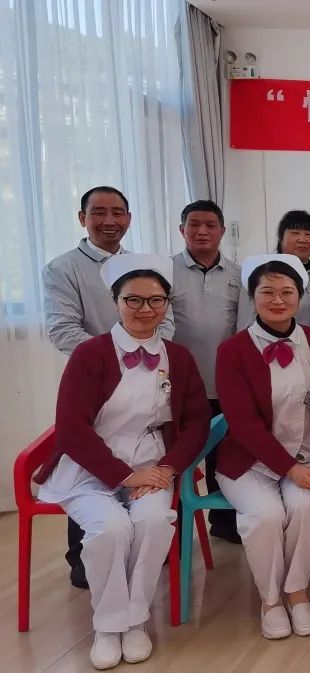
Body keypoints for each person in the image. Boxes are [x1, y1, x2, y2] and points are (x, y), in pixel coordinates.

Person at [34, 254, 210, 670]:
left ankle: (135, 620)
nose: (146, 309)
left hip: (153, 464)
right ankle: (108, 625)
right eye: (134, 300)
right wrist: (123, 475)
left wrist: (168, 468)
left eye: (156, 300)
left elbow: (198, 421)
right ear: (115, 301)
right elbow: (71, 430)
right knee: (110, 529)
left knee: (154, 522)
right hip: (90, 467)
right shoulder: (89, 354)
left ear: (166, 304)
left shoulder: (178, 357)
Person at [42, 185, 174, 590]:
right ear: (82, 218)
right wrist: (109, 357)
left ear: (129, 219)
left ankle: (140, 554)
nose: (109, 221)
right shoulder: (62, 269)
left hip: (150, 373)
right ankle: (85, 558)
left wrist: (144, 347)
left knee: (145, 457)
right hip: (94, 382)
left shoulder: (144, 267)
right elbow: (63, 328)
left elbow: (166, 321)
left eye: (118, 212)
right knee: (89, 460)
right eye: (99, 212)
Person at [214, 254, 310, 640]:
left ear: (300, 297)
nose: (277, 300)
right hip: (249, 461)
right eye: (267, 292)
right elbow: (242, 423)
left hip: (309, 453)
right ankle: (270, 600)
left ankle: (297, 592)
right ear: (252, 297)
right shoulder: (233, 350)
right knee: (266, 516)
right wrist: (288, 468)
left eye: (287, 292)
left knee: (307, 508)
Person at [169, 199, 242, 544]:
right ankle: (173, 530)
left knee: (223, 456)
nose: (202, 231)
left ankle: (224, 523)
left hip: (224, 383)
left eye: (210, 225)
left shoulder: (239, 275)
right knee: (176, 457)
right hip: (178, 386)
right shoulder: (164, 271)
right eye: (193, 225)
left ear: (222, 231)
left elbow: (243, 329)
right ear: (181, 230)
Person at [239, 210, 310, 328]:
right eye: (295, 233)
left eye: (309, 234)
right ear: (281, 238)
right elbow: (245, 322)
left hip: (307, 339)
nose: (302, 239)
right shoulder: (259, 273)